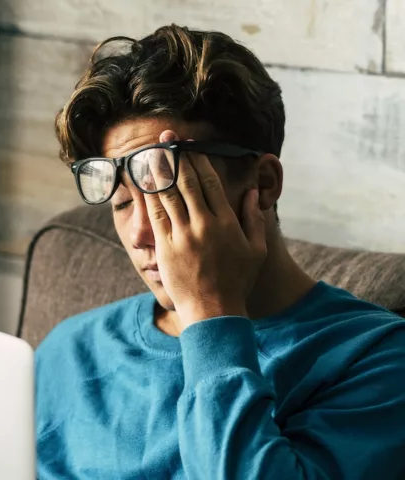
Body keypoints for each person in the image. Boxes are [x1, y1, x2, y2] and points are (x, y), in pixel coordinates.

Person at [35, 25, 405, 479]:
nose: (139, 234)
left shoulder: (374, 358)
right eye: (124, 203)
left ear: (263, 184)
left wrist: (209, 312)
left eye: (162, 196)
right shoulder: (71, 351)